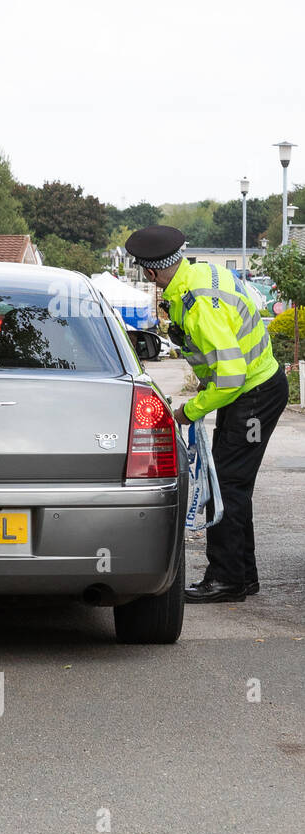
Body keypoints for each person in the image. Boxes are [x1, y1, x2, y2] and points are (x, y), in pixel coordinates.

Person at [127, 225, 289, 604]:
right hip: (252, 391)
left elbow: (231, 376)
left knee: (227, 486)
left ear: (150, 272)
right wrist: (206, 387)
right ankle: (242, 576)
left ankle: (227, 579)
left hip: (253, 395)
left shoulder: (198, 302)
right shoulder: (198, 276)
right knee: (233, 485)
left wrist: (189, 411)